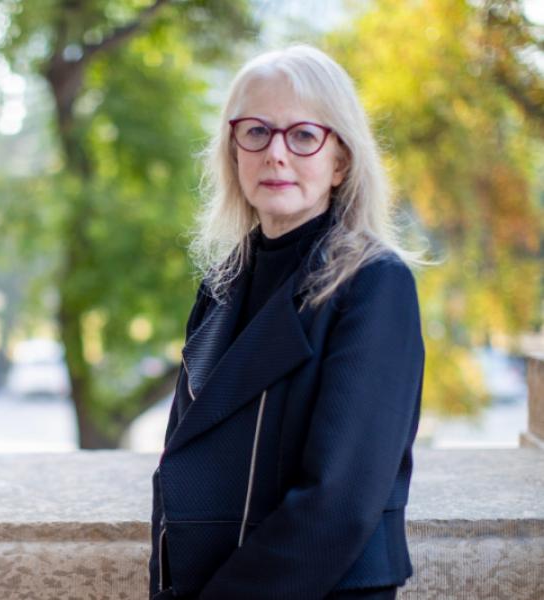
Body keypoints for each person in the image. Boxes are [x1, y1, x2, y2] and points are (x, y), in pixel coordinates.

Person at [148, 44, 429, 600]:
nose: (276, 153)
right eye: (256, 132)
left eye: (303, 135)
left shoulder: (375, 285)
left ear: (341, 160)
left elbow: (339, 503)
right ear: (233, 150)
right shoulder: (222, 283)